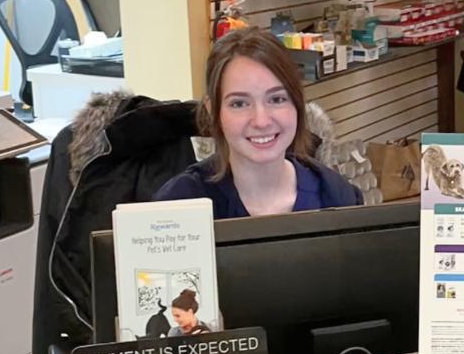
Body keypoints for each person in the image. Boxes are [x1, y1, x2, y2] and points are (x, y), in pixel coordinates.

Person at [155, 29, 361, 216]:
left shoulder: (337, 196)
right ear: (213, 110)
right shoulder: (177, 207)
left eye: (277, 99)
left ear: (297, 103)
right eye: (239, 103)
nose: (261, 121)